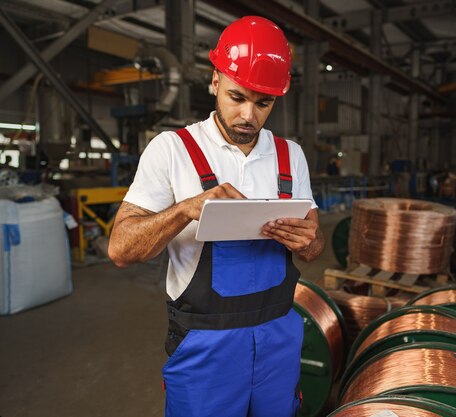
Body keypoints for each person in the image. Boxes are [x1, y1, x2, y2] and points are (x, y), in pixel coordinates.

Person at [108, 16, 324, 417]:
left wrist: (310, 242)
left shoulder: (289, 156)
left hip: (279, 336)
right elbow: (121, 249)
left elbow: (315, 242)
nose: (249, 116)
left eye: (264, 103)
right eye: (237, 97)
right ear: (214, 81)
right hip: (206, 344)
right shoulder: (172, 150)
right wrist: (186, 209)